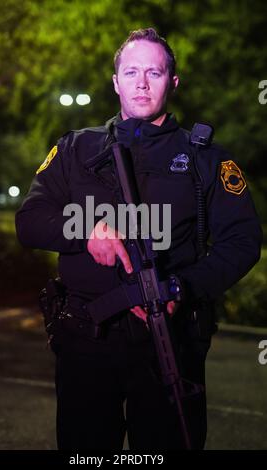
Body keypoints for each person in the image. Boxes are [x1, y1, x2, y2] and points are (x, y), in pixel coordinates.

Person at [15, 28, 262, 451]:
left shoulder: (206, 157)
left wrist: (182, 288)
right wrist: (84, 230)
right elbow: (30, 220)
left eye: (155, 72)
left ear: (173, 81)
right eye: (131, 72)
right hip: (86, 340)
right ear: (115, 82)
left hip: (168, 337)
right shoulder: (76, 148)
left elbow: (242, 241)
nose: (142, 83)